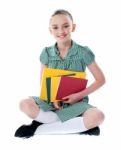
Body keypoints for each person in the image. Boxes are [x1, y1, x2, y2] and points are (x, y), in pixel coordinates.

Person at [14, 9, 105, 138]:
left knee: (98, 116)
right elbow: (43, 81)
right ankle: (77, 126)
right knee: (24, 104)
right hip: (51, 102)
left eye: (66, 26)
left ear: (73, 27)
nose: (61, 31)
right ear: (50, 30)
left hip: (77, 103)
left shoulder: (84, 52)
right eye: (55, 27)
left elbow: (100, 80)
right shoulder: (46, 53)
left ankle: (36, 129)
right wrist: (53, 98)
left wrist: (77, 96)